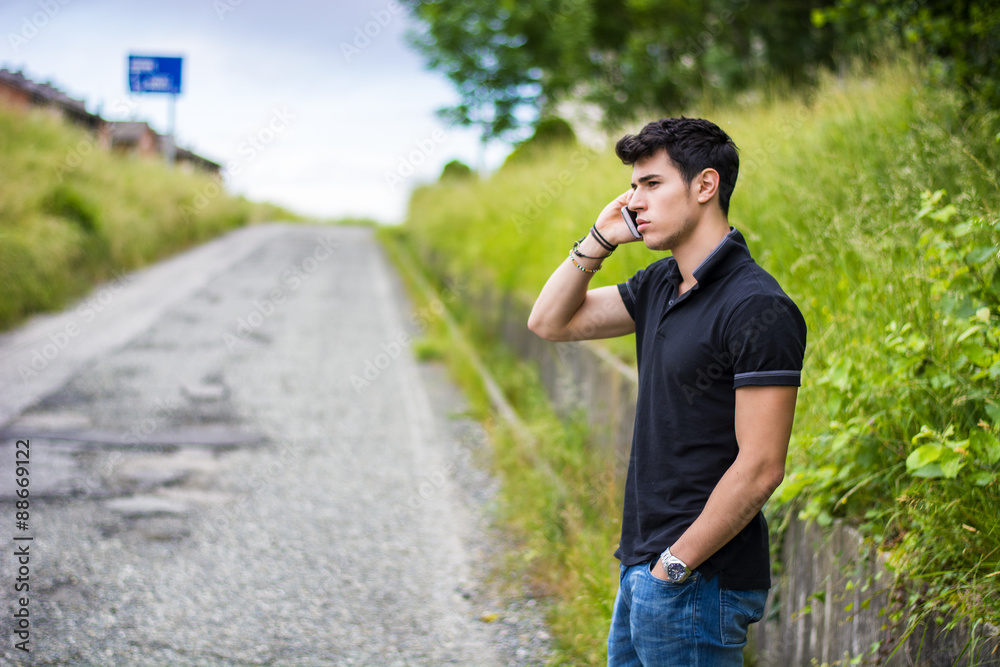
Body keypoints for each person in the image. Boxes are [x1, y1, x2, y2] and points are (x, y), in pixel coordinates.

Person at [527, 117, 807, 666]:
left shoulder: (757, 307)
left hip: (698, 580)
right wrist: (599, 239)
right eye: (633, 186)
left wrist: (674, 568)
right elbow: (549, 322)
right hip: (646, 569)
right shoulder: (661, 283)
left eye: (652, 184)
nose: (634, 201)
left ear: (705, 185)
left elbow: (761, 467)